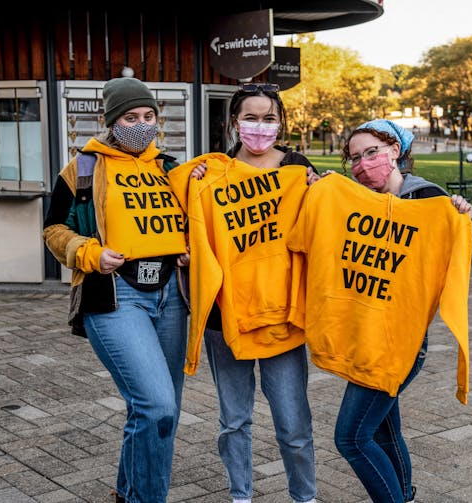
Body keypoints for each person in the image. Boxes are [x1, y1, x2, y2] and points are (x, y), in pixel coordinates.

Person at [293, 119, 472, 503]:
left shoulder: (428, 200)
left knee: (351, 437)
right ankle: (404, 495)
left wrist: (459, 219)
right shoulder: (351, 199)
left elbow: (457, 263)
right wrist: (325, 191)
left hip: (399, 344)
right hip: (364, 336)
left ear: (395, 151)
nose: (363, 164)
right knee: (382, 431)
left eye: (371, 152)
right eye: (354, 158)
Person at [43, 77, 190, 503]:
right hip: (115, 295)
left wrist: (187, 252)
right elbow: (54, 229)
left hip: (170, 296)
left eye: (149, 117)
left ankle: (128, 493)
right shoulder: (83, 168)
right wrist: (89, 253)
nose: (141, 125)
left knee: (158, 412)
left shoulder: (168, 167)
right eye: (131, 117)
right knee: (158, 406)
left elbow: (189, 224)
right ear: (112, 121)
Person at [184, 83, 319, 503]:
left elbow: (331, 223)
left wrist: (322, 188)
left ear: (281, 123)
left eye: (269, 118)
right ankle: (240, 495)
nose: (260, 126)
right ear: (234, 123)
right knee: (233, 421)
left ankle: (304, 497)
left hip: (282, 314)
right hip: (226, 316)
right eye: (251, 117)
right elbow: (183, 231)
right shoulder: (212, 172)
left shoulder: (299, 168)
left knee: (293, 425)